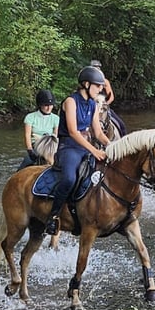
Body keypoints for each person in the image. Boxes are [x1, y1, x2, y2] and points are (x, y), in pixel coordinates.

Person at [44, 67, 111, 235]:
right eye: (98, 86)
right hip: (68, 147)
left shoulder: (93, 105)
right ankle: (52, 217)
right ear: (86, 84)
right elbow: (73, 132)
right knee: (69, 179)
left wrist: (112, 146)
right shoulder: (70, 102)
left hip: (84, 147)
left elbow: (98, 133)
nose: (101, 89)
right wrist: (95, 151)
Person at [18, 89, 59, 170]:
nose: (49, 108)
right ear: (40, 105)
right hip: (36, 145)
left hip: (50, 145)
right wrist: (29, 150)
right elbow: (27, 135)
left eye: (50, 105)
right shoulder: (30, 117)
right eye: (46, 105)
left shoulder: (56, 118)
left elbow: (55, 135)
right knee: (26, 163)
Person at [90, 59, 127, 136]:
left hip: (103, 108)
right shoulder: (88, 82)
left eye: (97, 68)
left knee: (121, 125)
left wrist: (104, 105)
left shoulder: (105, 82)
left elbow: (111, 97)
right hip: (91, 107)